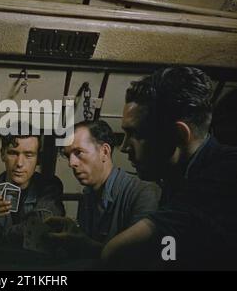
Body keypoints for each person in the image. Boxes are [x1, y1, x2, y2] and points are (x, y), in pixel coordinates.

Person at [101, 67, 237, 269]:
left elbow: (117, 252)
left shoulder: (227, 173)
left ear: (178, 135)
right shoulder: (177, 178)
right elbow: (166, 256)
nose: (124, 148)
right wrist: (86, 246)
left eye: (135, 134)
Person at [45, 120, 160, 256]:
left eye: (79, 152)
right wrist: (75, 232)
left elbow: (139, 258)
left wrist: (86, 247)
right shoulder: (88, 194)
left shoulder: (144, 193)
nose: (72, 163)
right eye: (68, 155)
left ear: (104, 152)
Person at [0, 124, 65, 246]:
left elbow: (41, 230)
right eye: (13, 153)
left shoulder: (50, 187)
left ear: (38, 159)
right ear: (2, 154)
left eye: (28, 155)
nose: (19, 163)